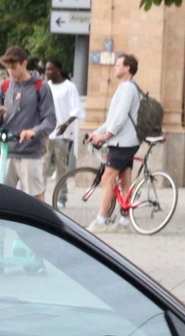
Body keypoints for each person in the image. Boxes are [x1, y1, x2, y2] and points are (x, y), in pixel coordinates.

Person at [87, 52, 143, 230]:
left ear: (127, 68)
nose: (115, 68)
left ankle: (101, 221)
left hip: (123, 142)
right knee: (124, 179)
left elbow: (119, 118)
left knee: (107, 177)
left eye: (118, 65)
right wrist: (97, 132)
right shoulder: (125, 87)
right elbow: (112, 119)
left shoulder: (128, 88)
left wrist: (105, 136)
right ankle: (125, 223)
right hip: (125, 141)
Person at [0, 45, 55, 199]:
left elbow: (50, 119)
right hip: (5, 151)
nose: (11, 72)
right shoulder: (4, 87)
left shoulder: (40, 87)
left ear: (24, 64)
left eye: (14, 67)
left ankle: (38, 223)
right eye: (8, 68)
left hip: (30, 153)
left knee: (35, 197)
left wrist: (34, 131)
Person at [43, 58, 85, 211]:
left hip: (63, 134)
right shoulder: (45, 87)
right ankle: (40, 196)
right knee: (42, 166)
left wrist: (66, 123)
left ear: (58, 70)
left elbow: (76, 110)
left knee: (61, 167)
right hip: (47, 134)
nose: (47, 72)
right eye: (46, 70)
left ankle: (62, 196)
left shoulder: (69, 87)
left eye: (50, 69)